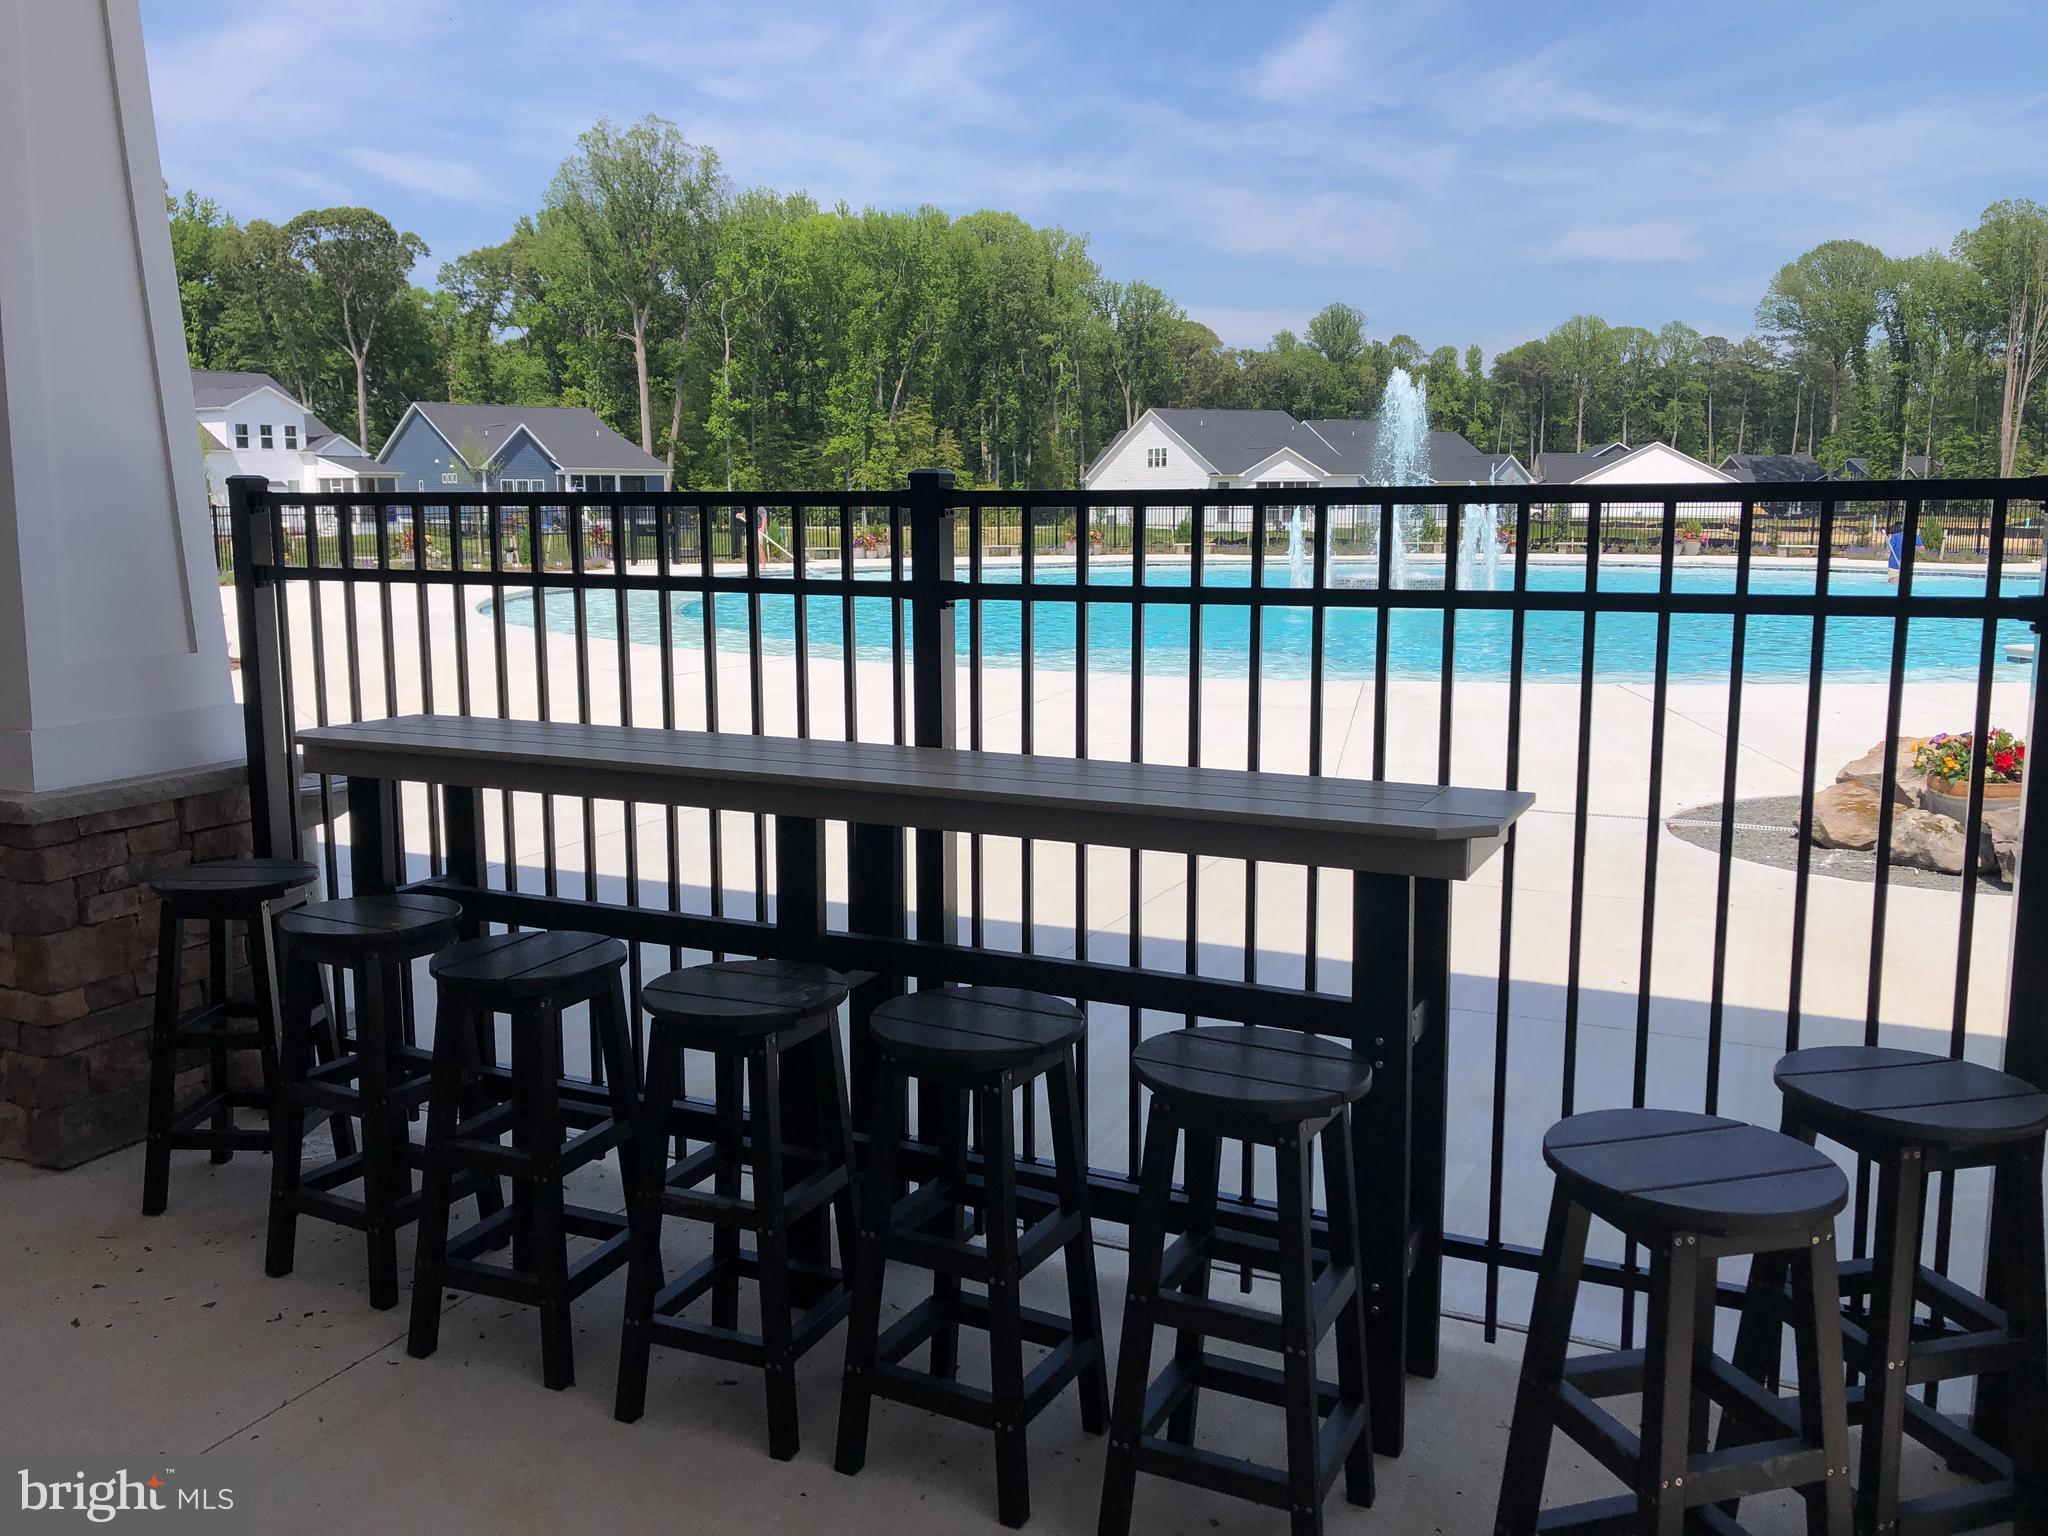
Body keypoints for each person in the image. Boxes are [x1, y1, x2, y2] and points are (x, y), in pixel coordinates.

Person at [1885, 518, 1923, 583]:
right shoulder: (1895, 537)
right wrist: (1887, 542)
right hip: (1895, 567)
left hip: (1907, 568)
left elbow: (1922, 550)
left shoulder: (1915, 537)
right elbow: (1889, 549)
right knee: (1895, 583)